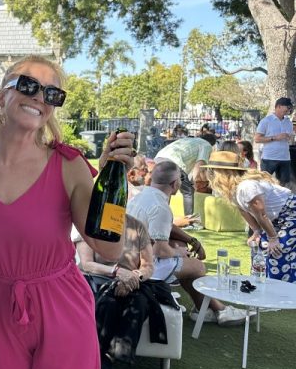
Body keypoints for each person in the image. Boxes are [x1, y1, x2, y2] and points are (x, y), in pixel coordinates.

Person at [0, 55, 135, 369]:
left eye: (52, 93)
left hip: (61, 307)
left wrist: (113, 182)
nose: (40, 97)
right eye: (29, 85)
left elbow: (108, 250)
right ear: (2, 93)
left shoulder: (68, 165)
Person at [127, 160, 247, 326]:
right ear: (174, 183)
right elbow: (160, 250)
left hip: (129, 259)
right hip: (142, 267)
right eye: (181, 179)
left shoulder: (141, 196)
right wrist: (179, 253)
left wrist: (191, 240)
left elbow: (166, 227)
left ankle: (205, 310)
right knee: (197, 266)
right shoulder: (160, 206)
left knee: (182, 250)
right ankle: (219, 310)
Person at [77, 214, 162, 369]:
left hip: (132, 282)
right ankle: (100, 358)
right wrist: (116, 272)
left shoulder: (137, 226)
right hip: (100, 279)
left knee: (139, 303)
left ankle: (111, 358)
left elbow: (148, 265)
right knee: (108, 303)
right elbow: (87, 264)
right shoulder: (91, 222)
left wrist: (135, 277)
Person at [205, 150, 296, 281]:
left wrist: (273, 238)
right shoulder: (233, 189)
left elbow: (262, 214)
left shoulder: (246, 187)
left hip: (290, 213)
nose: (209, 174)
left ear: (221, 173)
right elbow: (243, 211)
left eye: (212, 170)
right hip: (276, 217)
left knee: (277, 251)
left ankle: (283, 288)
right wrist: (257, 231)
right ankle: (264, 284)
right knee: (261, 249)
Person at [154, 133, 217, 215]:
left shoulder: (190, 140)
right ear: (212, 144)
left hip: (158, 159)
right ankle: (189, 219)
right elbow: (199, 165)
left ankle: (161, 216)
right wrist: (194, 183)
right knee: (188, 191)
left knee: (166, 190)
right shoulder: (206, 145)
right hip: (173, 162)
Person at [255, 97, 294, 185]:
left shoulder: (288, 122)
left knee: (283, 184)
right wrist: (275, 137)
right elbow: (257, 139)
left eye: (290, 108)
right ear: (279, 106)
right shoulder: (266, 121)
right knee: (265, 183)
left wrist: (289, 137)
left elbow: (289, 138)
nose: (289, 110)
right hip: (269, 158)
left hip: (285, 157)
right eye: (287, 107)